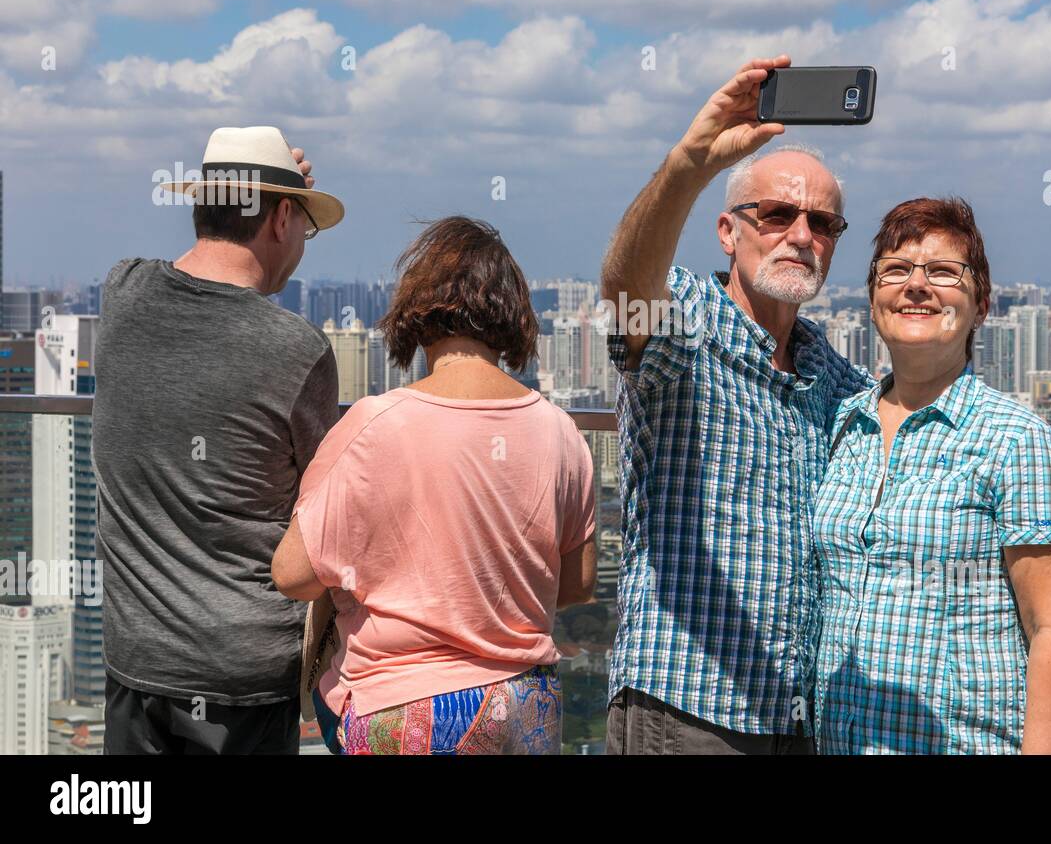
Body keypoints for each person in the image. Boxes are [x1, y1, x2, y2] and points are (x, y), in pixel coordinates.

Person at [600, 55, 873, 754]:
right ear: (728, 232)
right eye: (777, 215)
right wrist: (689, 162)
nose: (802, 237)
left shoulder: (838, 381)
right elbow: (625, 284)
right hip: (687, 704)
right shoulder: (686, 322)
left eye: (824, 224)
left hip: (796, 716)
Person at [272, 216, 597, 755]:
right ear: (513, 316)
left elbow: (293, 575)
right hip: (528, 705)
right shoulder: (561, 431)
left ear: (416, 313)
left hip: (411, 706)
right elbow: (577, 584)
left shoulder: (376, 423)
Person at [94, 126, 344, 754]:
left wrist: (271, 183)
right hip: (243, 681)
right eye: (303, 228)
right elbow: (328, 515)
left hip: (135, 664)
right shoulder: (296, 351)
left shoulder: (122, 293)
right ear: (282, 216)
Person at [813, 197, 1051, 754]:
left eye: (943, 272)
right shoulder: (845, 423)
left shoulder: (1014, 438)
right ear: (872, 299)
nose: (916, 286)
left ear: (981, 304)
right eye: (895, 271)